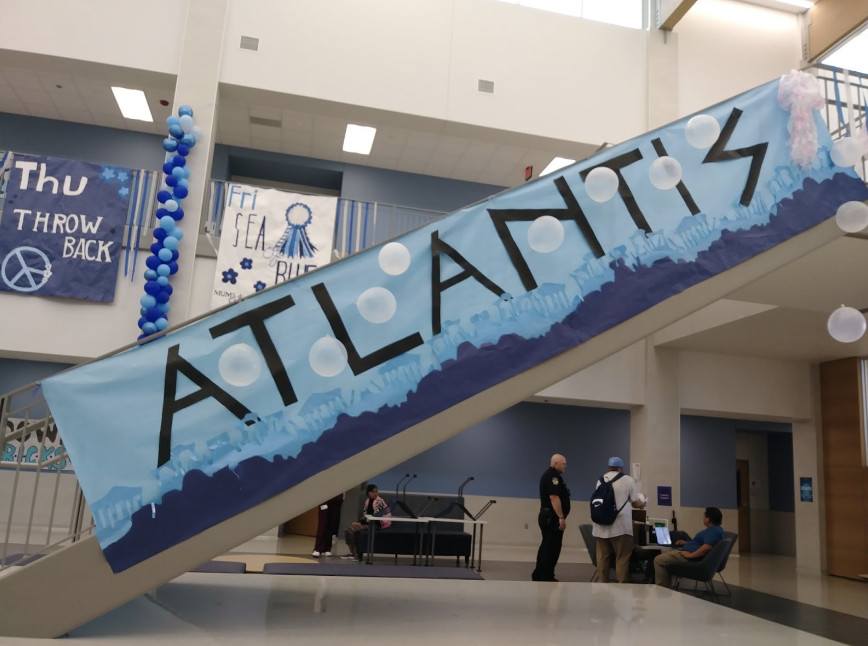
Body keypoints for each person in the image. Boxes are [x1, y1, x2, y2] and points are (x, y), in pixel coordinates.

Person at [592, 457, 645, 583]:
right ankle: (622, 585)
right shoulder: (628, 480)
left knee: (602, 557)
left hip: (601, 525)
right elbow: (635, 503)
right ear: (621, 467)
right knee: (622, 557)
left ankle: (603, 585)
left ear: (608, 467)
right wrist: (643, 502)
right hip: (621, 526)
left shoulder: (601, 480)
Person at [654, 507, 725, 588]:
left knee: (659, 560)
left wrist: (691, 555)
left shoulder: (714, 531)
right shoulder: (715, 530)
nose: (703, 518)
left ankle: (662, 590)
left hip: (691, 559)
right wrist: (688, 543)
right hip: (689, 555)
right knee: (667, 555)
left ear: (708, 519)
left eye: (704, 516)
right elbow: (703, 543)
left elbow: (707, 547)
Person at [532, 453, 570, 582]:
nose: (565, 466)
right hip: (551, 517)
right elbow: (554, 497)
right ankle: (546, 574)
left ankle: (539, 573)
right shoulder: (552, 477)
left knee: (547, 544)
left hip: (548, 515)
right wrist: (561, 517)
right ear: (555, 464)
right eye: (563, 463)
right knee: (551, 546)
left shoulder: (552, 476)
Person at [342, 484, 391, 560]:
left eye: (376, 492)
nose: (375, 493)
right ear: (368, 493)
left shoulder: (379, 502)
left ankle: (357, 554)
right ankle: (352, 553)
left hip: (377, 524)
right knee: (347, 530)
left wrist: (360, 524)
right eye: (373, 492)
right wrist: (359, 523)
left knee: (352, 530)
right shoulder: (367, 501)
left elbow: (375, 517)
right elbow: (365, 515)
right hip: (369, 523)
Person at [312, 493, 344, 557]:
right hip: (324, 499)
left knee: (332, 524)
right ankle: (317, 549)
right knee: (322, 524)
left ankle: (327, 549)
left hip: (336, 499)